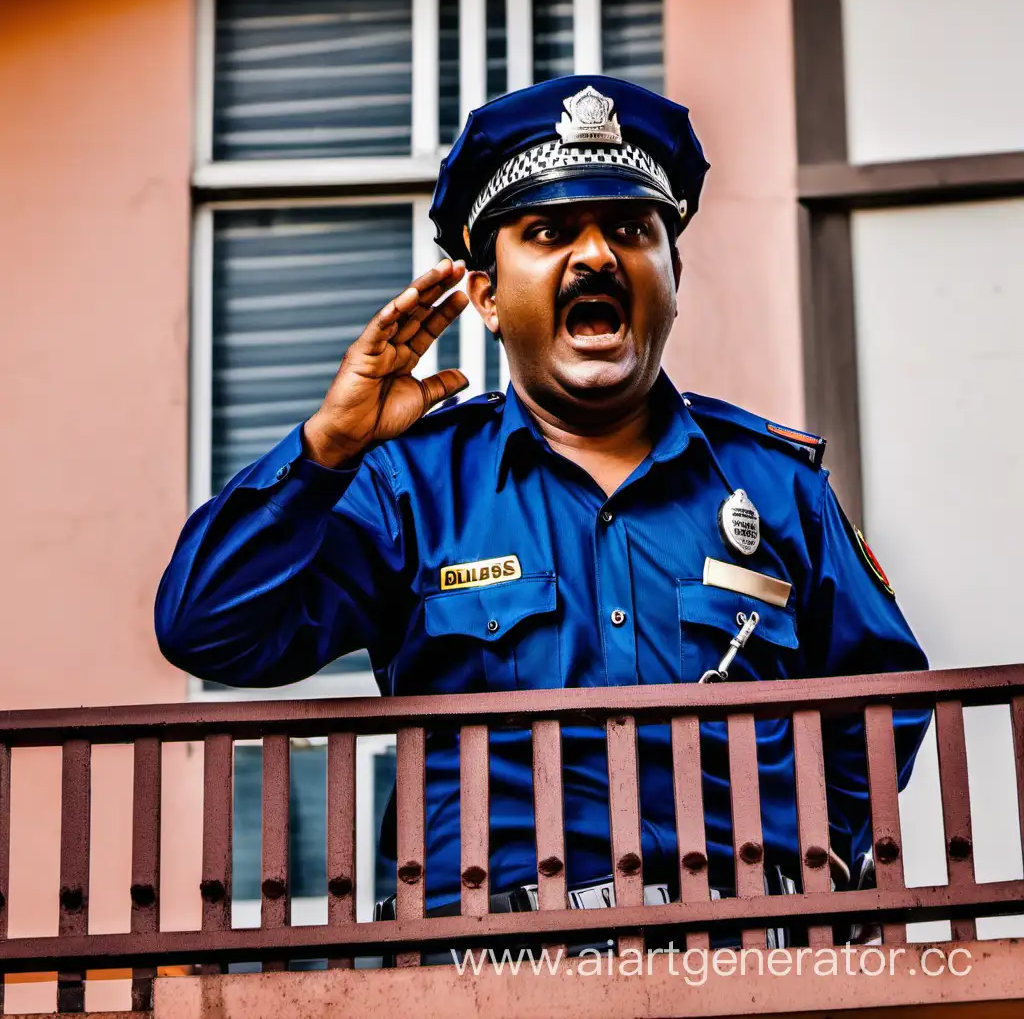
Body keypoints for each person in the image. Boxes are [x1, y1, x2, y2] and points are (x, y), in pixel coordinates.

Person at [155, 76, 931, 942]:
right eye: (551, 232)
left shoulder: (779, 487)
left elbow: (886, 706)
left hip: (751, 961)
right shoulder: (409, 489)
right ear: (486, 298)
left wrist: (795, 873)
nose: (598, 257)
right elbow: (204, 629)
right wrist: (328, 446)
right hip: (492, 971)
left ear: (672, 274)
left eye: (633, 231)